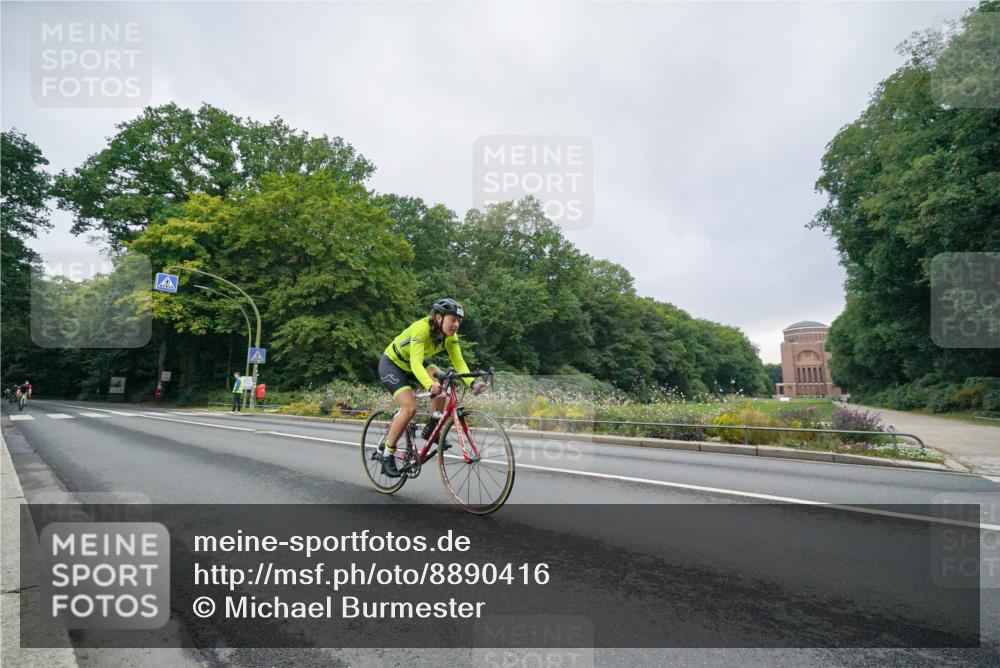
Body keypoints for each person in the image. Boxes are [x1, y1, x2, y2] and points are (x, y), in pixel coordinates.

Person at [377, 298, 487, 478]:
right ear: (438, 317)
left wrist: (473, 383)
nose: (456, 324)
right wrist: (430, 385)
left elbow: (459, 362)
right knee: (410, 407)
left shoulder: (451, 337)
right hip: (393, 364)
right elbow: (415, 363)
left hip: (415, 364)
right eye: (453, 319)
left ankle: (431, 428)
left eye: (459, 320)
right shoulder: (422, 328)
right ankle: (387, 454)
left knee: (443, 378)